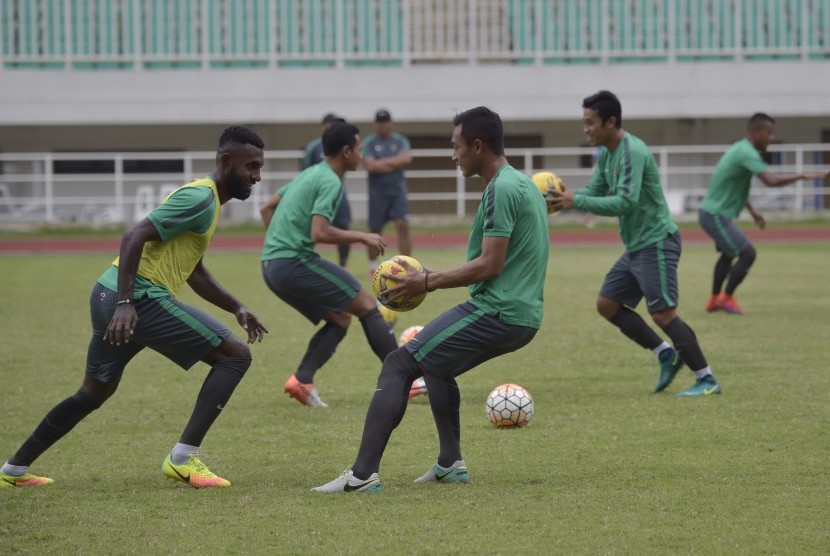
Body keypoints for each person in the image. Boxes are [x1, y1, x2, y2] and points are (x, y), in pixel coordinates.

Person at [0, 126, 269, 489]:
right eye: (251, 166)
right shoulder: (200, 199)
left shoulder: (208, 202)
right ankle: (182, 459)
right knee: (234, 355)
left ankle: (13, 471)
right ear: (225, 161)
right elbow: (133, 235)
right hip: (135, 300)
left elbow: (194, 269)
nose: (257, 175)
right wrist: (127, 303)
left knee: (92, 393)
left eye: (259, 167)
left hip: (107, 294)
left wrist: (236, 306)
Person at [313, 106, 549, 493]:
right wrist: (429, 277)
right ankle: (450, 464)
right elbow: (501, 261)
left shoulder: (501, 189)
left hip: (498, 311)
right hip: (521, 314)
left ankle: (361, 475)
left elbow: (491, 265)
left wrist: (427, 281)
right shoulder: (520, 184)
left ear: (477, 145)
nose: (453, 156)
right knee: (437, 366)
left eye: (456, 148)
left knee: (398, 362)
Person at [550, 90, 719, 397]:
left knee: (664, 314)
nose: (585, 129)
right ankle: (666, 354)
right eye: (584, 122)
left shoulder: (632, 151)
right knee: (608, 304)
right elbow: (597, 190)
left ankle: (706, 379)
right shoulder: (607, 153)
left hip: (656, 242)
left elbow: (626, 202)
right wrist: (565, 200)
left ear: (610, 122)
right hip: (637, 246)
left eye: (590, 122)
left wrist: (577, 201)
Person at [260, 120, 399, 408]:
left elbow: (267, 207)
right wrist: (363, 236)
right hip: (292, 262)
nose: (362, 154)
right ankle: (405, 379)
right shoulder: (330, 181)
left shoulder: (308, 174)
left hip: (271, 266)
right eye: (359, 149)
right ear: (347, 151)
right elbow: (320, 232)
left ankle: (301, 380)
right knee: (367, 306)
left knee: (340, 317)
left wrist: (276, 242)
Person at [699, 113, 829, 315]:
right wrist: (803, 175)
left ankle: (714, 300)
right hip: (715, 214)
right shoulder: (747, 153)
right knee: (747, 253)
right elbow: (771, 181)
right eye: (769, 133)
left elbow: (737, 185)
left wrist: (753, 211)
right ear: (756, 132)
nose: (772, 137)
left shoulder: (739, 148)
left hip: (711, 212)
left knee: (729, 253)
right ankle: (725, 298)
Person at [362, 109, 413, 277]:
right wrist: (394, 162)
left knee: (403, 226)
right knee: (375, 230)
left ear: (391, 123)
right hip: (377, 194)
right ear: (376, 124)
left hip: (397, 192)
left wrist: (380, 163)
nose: (383, 125)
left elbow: (406, 159)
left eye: (386, 122)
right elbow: (370, 166)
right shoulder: (369, 142)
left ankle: (407, 264)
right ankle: (372, 266)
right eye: (380, 122)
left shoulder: (400, 141)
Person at [302, 113, 353, 268]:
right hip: (317, 196)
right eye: (330, 125)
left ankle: (343, 264)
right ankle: (305, 260)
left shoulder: (342, 146)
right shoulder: (314, 147)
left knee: (344, 225)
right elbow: (305, 172)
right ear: (323, 126)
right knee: (313, 229)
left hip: (338, 193)